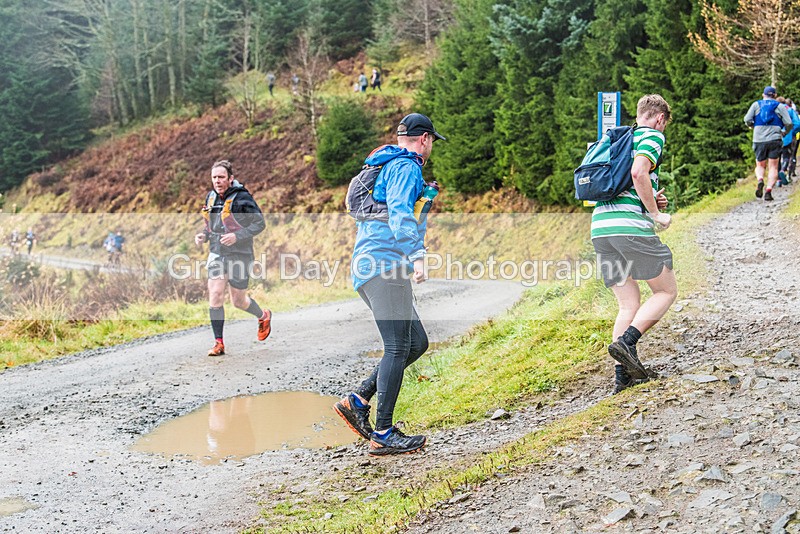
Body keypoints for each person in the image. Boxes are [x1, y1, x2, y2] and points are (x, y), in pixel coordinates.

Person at [333, 113, 446, 456]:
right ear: (425, 139)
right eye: (432, 142)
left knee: (416, 343)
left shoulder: (387, 164)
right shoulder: (406, 166)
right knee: (398, 347)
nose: (430, 148)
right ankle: (382, 431)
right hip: (385, 265)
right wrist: (417, 255)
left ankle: (357, 400)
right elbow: (399, 211)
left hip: (372, 266)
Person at [591, 94, 678, 394]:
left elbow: (625, 183)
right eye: (664, 123)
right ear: (660, 118)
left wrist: (652, 198)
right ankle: (627, 342)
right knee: (666, 290)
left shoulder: (617, 139)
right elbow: (638, 172)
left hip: (601, 229)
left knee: (628, 303)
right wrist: (655, 213)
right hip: (630, 229)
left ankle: (622, 379)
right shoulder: (651, 136)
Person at [195, 159, 271, 357]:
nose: (217, 181)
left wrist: (237, 236)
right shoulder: (210, 197)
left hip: (240, 254)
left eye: (221, 177)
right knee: (216, 294)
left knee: (238, 301)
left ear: (231, 178)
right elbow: (212, 225)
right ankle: (218, 343)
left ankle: (262, 316)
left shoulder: (243, 198)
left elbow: (259, 223)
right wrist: (203, 235)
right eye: (214, 177)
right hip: (217, 252)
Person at [744, 86, 792, 201]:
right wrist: (784, 132)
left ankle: (760, 179)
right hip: (774, 139)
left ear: (763, 95)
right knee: (773, 166)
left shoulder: (756, 105)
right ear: (775, 96)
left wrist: (752, 126)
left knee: (760, 165)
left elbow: (747, 119)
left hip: (759, 139)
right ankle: (768, 191)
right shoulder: (779, 106)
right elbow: (789, 123)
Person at [778, 97, 800, 186]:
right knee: (787, 156)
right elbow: (797, 124)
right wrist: (792, 132)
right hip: (788, 137)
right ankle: (785, 171)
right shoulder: (790, 110)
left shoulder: (774, 109)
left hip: (774, 136)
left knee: (776, 158)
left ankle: (778, 180)